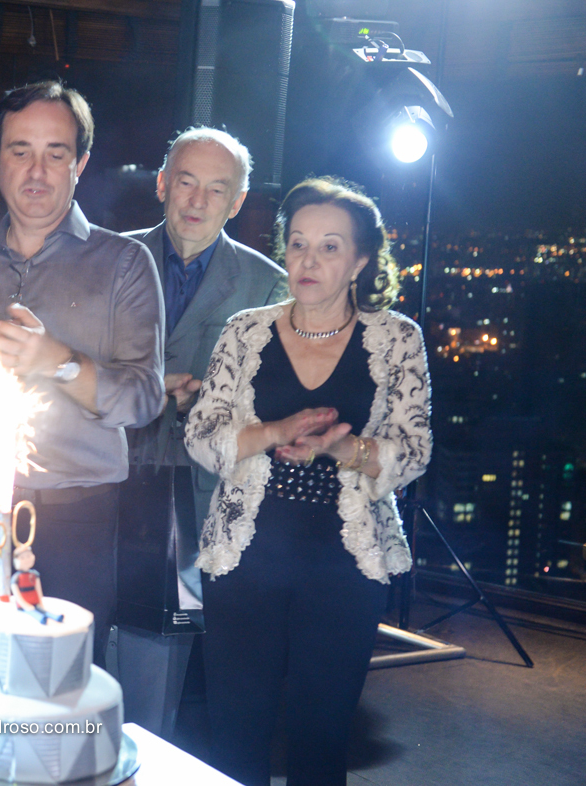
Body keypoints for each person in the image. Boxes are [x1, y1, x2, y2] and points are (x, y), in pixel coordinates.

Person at [0, 80, 165, 680]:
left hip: (79, 513)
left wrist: (57, 361)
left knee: (61, 688)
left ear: (81, 164)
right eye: (20, 151)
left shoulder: (124, 263)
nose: (36, 170)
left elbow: (143, 398)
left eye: (56, 152)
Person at [184, 177, 432, 786]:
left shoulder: (398, 338)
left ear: (361, 261)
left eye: (329, 247)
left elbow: (416, 450)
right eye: (297, 244)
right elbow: (201, 435)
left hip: (345, 567)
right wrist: (275, 431)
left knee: (321, 739)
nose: (308, 260)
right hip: (245, 560)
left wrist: (341, 446)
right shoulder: (246, 330)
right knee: (236, 733)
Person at [124, 127, 287, 609]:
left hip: (202, 493)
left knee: (174, 652)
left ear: (236, 203)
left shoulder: (269, 286)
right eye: (186, 182)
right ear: (161, 184)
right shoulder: (110, 258)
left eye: (217, 189)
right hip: (107, 475)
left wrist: (211, 399)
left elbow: (272, 402)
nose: (198, 201)